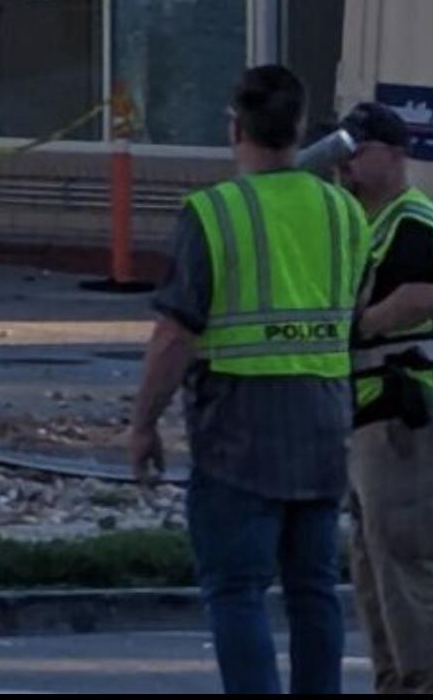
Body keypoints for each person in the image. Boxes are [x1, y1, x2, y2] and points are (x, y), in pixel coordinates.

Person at [127, 65, 369, 695]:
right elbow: (355, 310)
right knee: (315, 590)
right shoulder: (344, 212)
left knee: (237, 591)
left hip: (238, 429)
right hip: (323, 423)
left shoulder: (213, 213)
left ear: (235, 128)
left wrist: (143, 423)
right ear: (300, 128)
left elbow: (174, 334)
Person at [338, 102, 433, 694]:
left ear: (395, 154)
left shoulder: (411, 222)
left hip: (410, 422)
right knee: (377, 576)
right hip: (378, 420)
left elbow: (423, 297)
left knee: (408, 575)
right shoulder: (369, 223)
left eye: (358, 149)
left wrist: (355, 326)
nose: (345, 161)